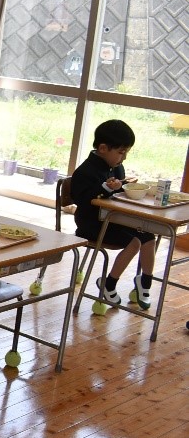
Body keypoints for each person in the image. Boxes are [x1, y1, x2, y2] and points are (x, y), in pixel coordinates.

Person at [70, 119, 156, 308]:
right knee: (134, 242)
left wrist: (125, 186)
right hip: (92, 223)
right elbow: (82, 199)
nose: (123, 158)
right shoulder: (85, 171)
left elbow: (117, 191)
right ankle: (109, 284)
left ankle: (145, 281)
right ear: (103, 148)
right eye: (121, 152)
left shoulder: (116, 167)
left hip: (114, 219)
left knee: (149, 236)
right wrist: (105, 188)